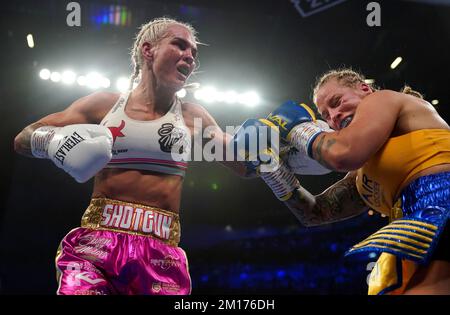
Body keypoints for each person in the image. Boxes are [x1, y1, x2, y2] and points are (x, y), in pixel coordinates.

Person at [13, 17, 258, 295]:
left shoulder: (192, 116)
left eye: (194, 52)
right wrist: (53, 142)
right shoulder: (105, 105)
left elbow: (243, 165)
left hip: (159, 257)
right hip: (96, 248)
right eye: (179, 45)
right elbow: (23, 138)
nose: (190, 56)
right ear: (148, 49)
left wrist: (271, 145)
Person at [262, 69, 450, 295]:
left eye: (336, 102)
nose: (334, 116)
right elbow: (316, 213)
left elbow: (343, 153)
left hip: (442, 203)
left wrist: (295, 128)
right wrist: (272, 170)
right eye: (325, 116)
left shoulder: (383, 99)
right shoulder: (366, 172)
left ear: (364, 89)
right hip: (413, 224)